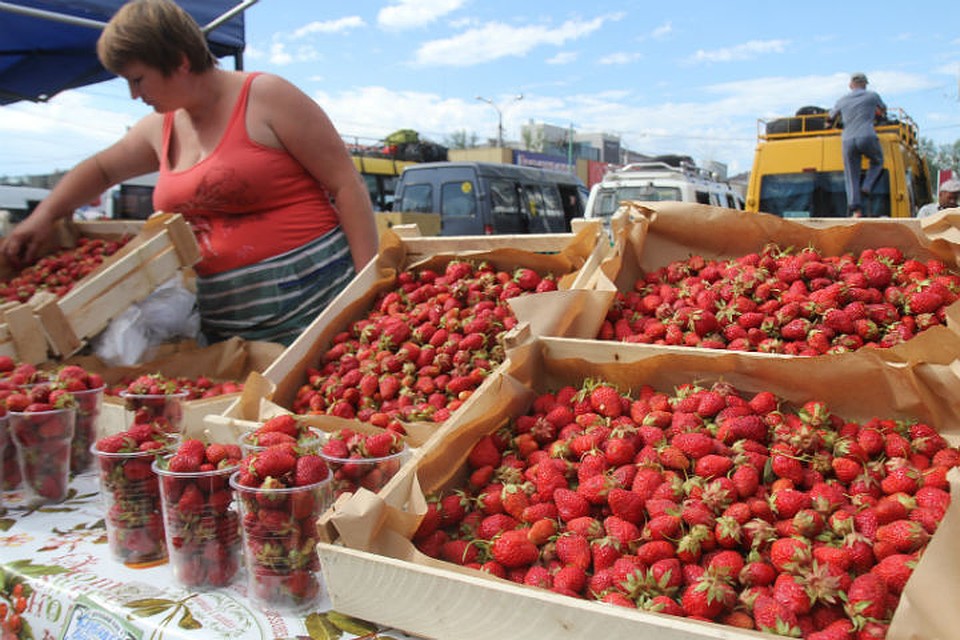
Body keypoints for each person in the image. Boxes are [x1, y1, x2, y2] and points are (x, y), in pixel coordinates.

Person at [1, 0, 377, 347]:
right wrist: (44, 216)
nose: (134, 95)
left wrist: (368, 291)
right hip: (225, 322)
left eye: (137, 79)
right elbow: (100, 170)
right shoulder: (159, 127)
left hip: (316, 306)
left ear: (180, 61)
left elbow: (346, 185)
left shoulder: (266, 97)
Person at [828, 72, 887, 217]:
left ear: (850, 85)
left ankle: (855, 208)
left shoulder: (842, 100)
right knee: (877, 160)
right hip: (867, 135)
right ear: (865, 84)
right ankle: (867, 186)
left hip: (847, 139)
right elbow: (883, 110)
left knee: (851, 174)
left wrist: (829, 125)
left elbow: (830, 118)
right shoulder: (872, 96)